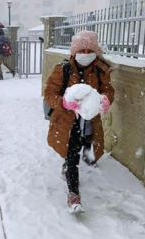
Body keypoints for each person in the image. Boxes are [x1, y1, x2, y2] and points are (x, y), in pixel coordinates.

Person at [44, 30, 115, 213]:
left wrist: (106, 99)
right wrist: (63, 102)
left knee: (88, 150)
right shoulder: (63, 69)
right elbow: (49, 92)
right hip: (67, 121)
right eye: (81, 50)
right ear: (74, 51)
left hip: (89, 120)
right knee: (72, 153)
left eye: (88, 50)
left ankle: (74, 163)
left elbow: (107, 89)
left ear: (95, 51)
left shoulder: (100, 70)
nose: (85, 54)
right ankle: (74, 195)